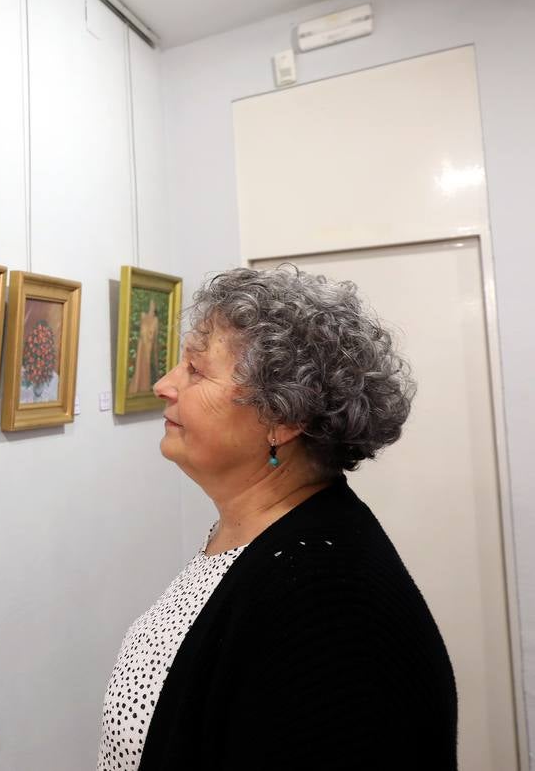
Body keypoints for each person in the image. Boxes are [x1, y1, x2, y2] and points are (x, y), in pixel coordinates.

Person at [96, 266, 456, 771]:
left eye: (196, 371)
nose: (163, 385)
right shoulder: (253, 538)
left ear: (283, 418)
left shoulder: (330, 606)